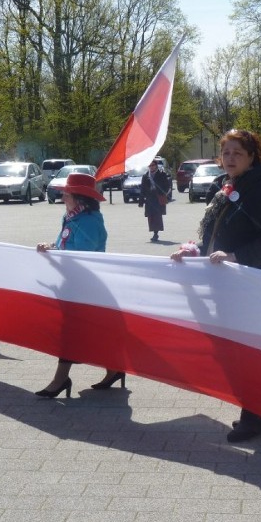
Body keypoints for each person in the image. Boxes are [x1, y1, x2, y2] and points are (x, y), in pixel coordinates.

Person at [170, 129, 261, 443]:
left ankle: (254, 416)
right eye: (226, 153)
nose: (231, 158)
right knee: (243, 350)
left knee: (250, 351)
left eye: (238, 153)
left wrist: (236, 256)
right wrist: (195, 250)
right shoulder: (225, 187)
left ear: (252, 157)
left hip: (256, 284)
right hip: (232, 284)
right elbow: (216, 237)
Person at [35, 173, 124, 396]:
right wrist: (50, 247)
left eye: (67, 193)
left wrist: (56, 253)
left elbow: (82, 256)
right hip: (72, 285)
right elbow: (63, 245)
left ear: (79, 197)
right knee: (89, 333)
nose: (63, 196)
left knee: (71, 333)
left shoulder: (90, 221)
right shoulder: (71, 217)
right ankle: (115, 368)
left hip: (87, 287)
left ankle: (60, 379)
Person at [139, 160, 170, 242]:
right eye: (150, 165)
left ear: (156, 166)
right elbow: (142, 189)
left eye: (153, 165)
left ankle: (156, 234)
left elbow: (167, 186)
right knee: (150, 216)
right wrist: (141, 201)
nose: (151, 167)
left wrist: (162, 193)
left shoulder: (162, 174)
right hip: (149, 199)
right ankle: (154, 231)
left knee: (157, 216)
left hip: (158, 198)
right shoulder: (145, 176)